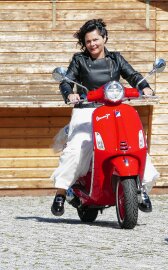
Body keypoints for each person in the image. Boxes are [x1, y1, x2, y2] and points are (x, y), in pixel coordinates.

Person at [51, 19, 155, 216]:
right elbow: (67, 82)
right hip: (87, 109)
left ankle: (142, 189)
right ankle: (61, 192)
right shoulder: (79, 60)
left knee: (135, 144)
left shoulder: (116, 59)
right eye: (88, 41)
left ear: (104, 38)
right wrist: (70, 94)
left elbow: (133, 75)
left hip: (114, 108)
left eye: (96, 39)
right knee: (78, 146)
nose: (92, 44)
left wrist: (145, 87)